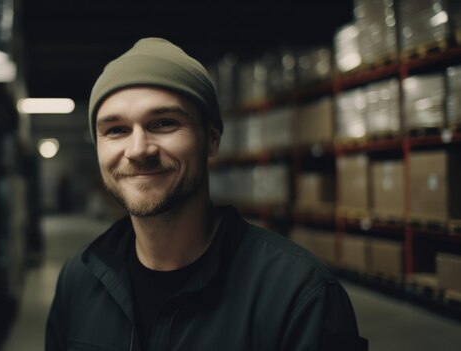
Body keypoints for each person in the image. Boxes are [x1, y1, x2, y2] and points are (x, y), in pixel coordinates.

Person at [45, 37, 368, 351]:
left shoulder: (299, 294)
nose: (138, 149)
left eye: (164, 123)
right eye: (116, 130)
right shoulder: (79, 279)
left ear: (211, 139)